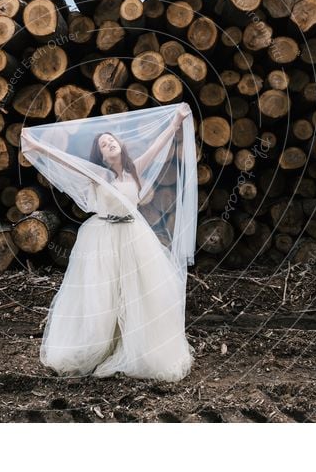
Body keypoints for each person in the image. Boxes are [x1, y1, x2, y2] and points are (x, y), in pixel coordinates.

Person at [20, 103, 196, 382]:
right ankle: (99, 347)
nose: (109, 144)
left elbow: (160, 147)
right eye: (103, 144)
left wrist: (175, 122)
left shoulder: (135, 169)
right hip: (103, 236)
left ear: (120, 146)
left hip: (134, 233)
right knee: (104, 292)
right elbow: (68, 162)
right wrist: (38, 147)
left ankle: (135, 347)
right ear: (100, 154)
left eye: (112, 140)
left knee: (138, 290)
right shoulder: (99, 175)